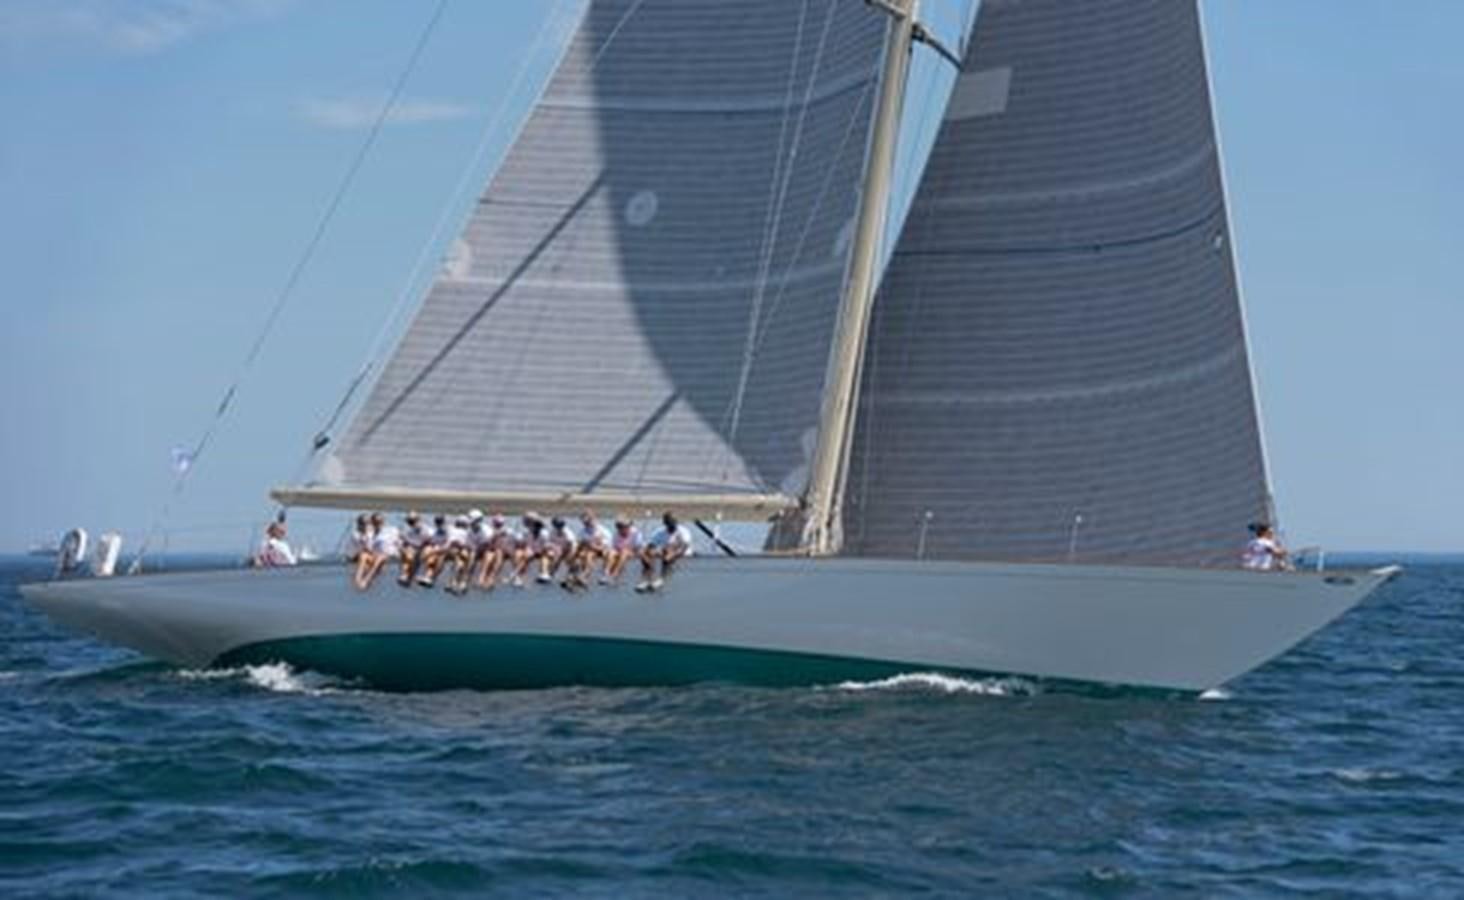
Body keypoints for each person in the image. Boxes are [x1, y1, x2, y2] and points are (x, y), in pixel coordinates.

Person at [637, 511, 693, 592]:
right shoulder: (660, 532)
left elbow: (685, 546)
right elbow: (651, 544)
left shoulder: (683, 531)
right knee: (647, 553)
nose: (671, 524)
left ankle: (662, 579)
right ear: (665, 523)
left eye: (673, 521)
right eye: (668, 522)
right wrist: (645, 553)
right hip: (665, 551)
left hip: (683, 552)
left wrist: (674, 554)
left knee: (668, 551)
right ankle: (648, 579)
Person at [563, 510, 612, 591]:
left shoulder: (603, 531)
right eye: (584, 523)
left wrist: (592, 546)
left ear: (593, 520)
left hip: (601, 552)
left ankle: (584, 576)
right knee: (577, 556)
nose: (585, 524)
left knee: (588, 555)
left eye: (587, 522)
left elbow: (605, 547)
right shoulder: (583, 531)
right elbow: (578, 544)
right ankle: (571, 577)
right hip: (588, 551)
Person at [357, 512, 399, 591]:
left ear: (383, 522)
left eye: (380, 522)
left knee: (381, 557)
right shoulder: (370, 534)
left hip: (390, 555)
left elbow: (400, 541)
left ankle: (366, 580)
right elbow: (368, 548)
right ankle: (358, 580)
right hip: (376, 555)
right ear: (372, 523)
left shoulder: (392, 530)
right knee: (364, 555)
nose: (378, 524)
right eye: (376, 522)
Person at [474, 513, 512, 591]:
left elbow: (507, 544)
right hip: (492, 550)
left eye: (499, 523)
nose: (498, 524)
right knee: (489, 555)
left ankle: (491, 579)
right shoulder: (490, 530)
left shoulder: (507, 531)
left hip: (502, 551)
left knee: (498, 553)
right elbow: (488, 543)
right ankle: (481, 578)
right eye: (497, 523)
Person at [510, 512, 548, 588]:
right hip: (531, 550)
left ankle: (544, 573)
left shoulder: (543, 533)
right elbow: (521, 542)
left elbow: (546, 546)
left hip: (541, 550)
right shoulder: (526, 531)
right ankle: (518, 576)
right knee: (522, 555)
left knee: (545, 555)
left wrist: (536, 551)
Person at [397, 511, 433, 587]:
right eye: (410, 520)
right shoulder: (405, 529)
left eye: (413, 520)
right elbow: (403, 541)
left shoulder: (425, 528)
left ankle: (422, 576)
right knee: (407, 555)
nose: (411, 522)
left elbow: (428, 541)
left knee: (425, 553)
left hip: (421, 548)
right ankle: (406, 575)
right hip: (412, 548)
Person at [605, 516, 643, 586]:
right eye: (619, 528)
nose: (620, 530)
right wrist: (615, 551)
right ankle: (606, 573)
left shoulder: (636, 533)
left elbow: (638, 547)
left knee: (624, 552)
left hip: (632, 551)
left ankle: (615, 573)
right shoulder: (616, 534)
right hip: (619, 550)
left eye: (622, 527)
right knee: (611, 553)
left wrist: (629, 549)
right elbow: (614, 546)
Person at [545, 516, 578, 584]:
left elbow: (571, 544)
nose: (558, 526)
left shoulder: (567, 532)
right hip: (558, 549)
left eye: (560, 525)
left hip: (569, 548)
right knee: (554, 557)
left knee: (568, 559)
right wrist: (552, 548)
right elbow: (549, 542)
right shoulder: (553, 531)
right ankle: (550, 574)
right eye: (556, 525)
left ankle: (572, 573)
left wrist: (569, 553)